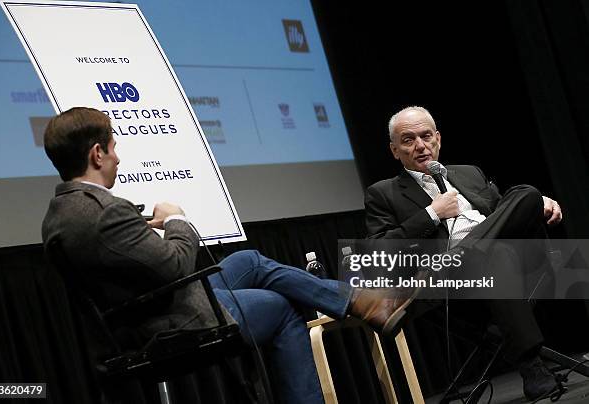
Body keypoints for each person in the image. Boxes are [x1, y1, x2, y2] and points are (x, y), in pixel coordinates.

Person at [41, 107, 407, 404]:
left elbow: (131, 265)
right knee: (281, 307)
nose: (118, 158)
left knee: (249, 260)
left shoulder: (61, 213)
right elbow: (174, 265)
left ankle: (362, 302)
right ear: (97, 153)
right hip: (167, 322)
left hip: (137, 314)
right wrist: (176, 220)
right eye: (114, 148)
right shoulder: (106, 209)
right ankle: (364, 305)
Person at [364, 106, 564, 401]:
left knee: (526, 193)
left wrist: (538, 204)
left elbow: (505, 215)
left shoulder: (470, 173)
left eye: (426, 136)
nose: (420, 145)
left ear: (439, 139)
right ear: (395, 150)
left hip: (514, 262)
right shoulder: (383, 193)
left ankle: (471, 249)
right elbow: (378, 252)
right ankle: (532, 367)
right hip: (453, 282)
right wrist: (432, 213)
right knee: (494, 256)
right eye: (408, 140)